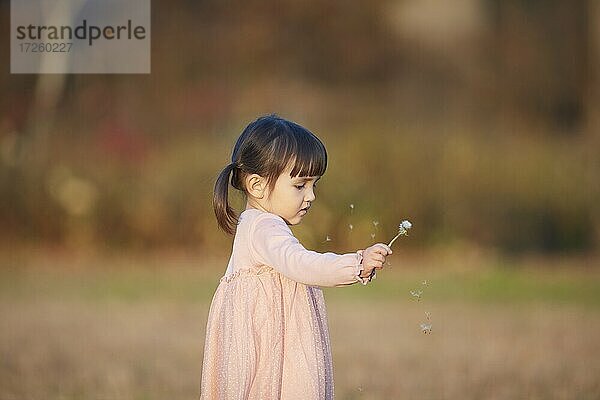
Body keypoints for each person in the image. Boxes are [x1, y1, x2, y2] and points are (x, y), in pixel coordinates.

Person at [199, 114, 393, 399]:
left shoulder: (258, 224)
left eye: (314, 185)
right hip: (270, 349)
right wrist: (356, 264)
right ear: (257, 185)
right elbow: (301, 263)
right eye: (300, 185)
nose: (311, 196)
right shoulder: (264, 227)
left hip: (274, 342)